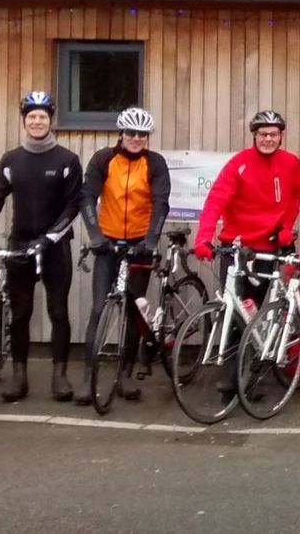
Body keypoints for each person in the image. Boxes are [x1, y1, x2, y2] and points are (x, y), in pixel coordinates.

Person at [0, 91, 84, 403]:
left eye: (43, 117)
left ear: (51, 120)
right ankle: (19, 376)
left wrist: (49, 238)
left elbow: (74, 205)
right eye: (32, 117)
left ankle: (59, 375)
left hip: (54, 247)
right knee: (21, 313)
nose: (37, 122)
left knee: (57, 311)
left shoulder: (67, 160)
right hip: (20, 244)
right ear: (24, 121)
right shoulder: (11, 160)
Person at [74, 107, 170, 405]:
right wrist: (95, 235)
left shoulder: (154, 163)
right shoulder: (104, 159)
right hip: (108, 244)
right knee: (99, 309)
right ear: (121, 133)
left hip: (140, 244)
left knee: (133, 311)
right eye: (131, 133)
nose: (136, 138)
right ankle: (88, 379)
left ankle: (125, 375)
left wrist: (151, 240)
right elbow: (86, 197)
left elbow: (160, 202)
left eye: (142, 134)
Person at [195, 110, 300, 318]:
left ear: (281, 136)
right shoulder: (239, 163)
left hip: (267, 248)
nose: (268, 139)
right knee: (233, 312)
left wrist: (286, 227)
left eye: (273, 134)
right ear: (254, 135)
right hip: (236, 248)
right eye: (263, 134)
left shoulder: (291, 163)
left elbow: (295, 197)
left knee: (254, 314)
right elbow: (215, 200)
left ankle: (259, 339)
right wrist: (203, 237)